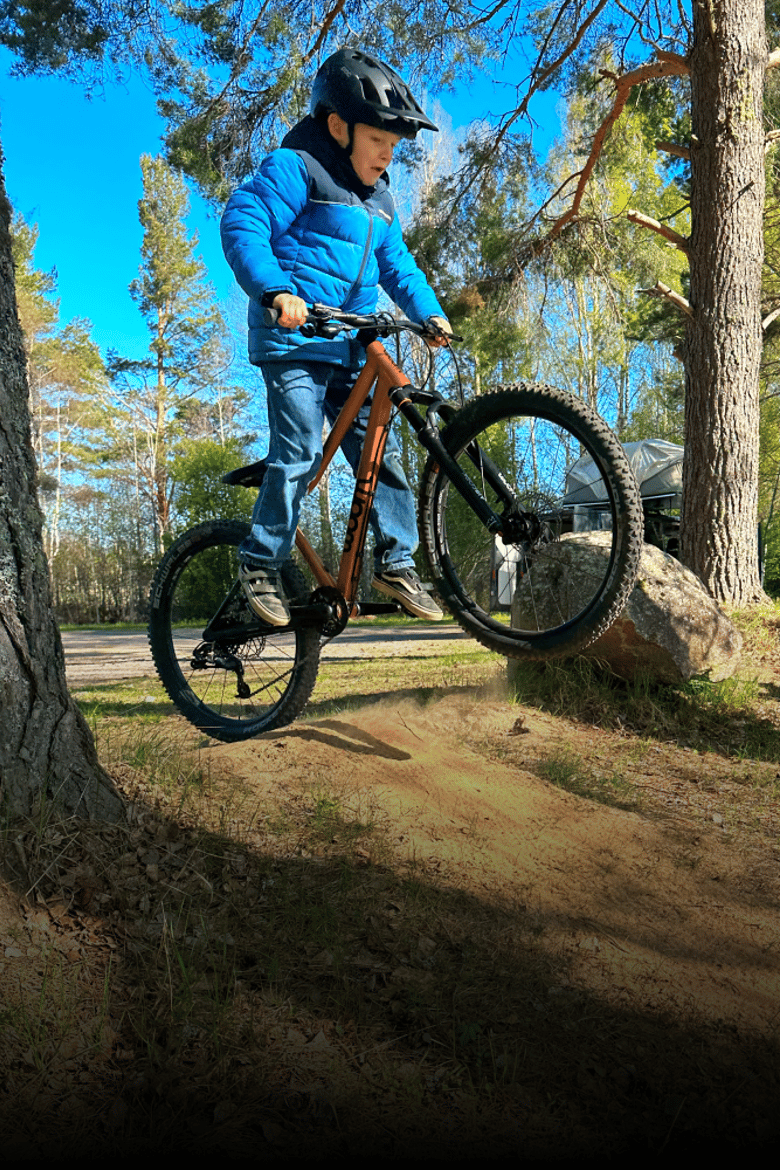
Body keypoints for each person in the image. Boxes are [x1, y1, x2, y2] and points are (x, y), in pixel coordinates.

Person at [220, 46, 452, 626]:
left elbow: (397, 266)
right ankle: (260, 562)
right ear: (337, 126)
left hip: (348, 345)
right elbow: (243, 221)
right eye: (379, 142)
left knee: (383, 451)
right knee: (298, 451)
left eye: (394, 147)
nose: (387, 156)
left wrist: (429, 313)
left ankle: (396, 562)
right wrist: (275, 292)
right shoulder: (298, 166)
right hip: (295, 342)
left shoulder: (381, 202)